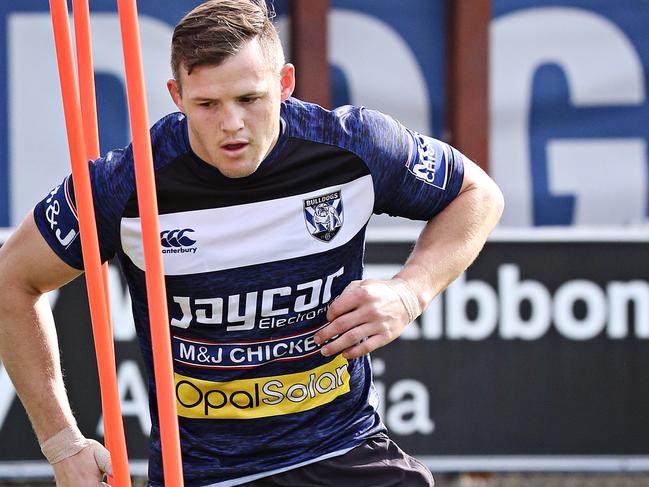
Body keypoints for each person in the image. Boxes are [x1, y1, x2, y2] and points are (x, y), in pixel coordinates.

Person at [0, 0, 504, 485]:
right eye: (207, 104)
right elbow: (11, 282)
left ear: (284, 83)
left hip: (342, 450)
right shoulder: (129, 183)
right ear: (176, 97)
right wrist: (62, 444)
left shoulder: (352, 146)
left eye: (249, 99)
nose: (232, 124)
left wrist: (410, 292)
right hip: (203, 474)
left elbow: (478, 194)